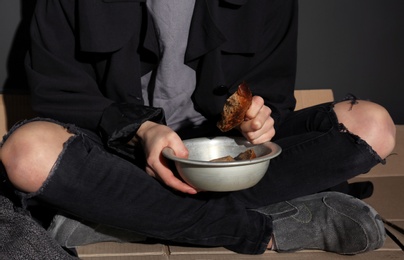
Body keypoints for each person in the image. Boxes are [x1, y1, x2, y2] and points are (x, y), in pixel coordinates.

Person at [0, 0, 396, 257]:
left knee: (372, 125)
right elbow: (58, 92)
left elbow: (272, 92)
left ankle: (120, 219)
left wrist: (256, 118)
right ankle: (263, 230)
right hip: (118, 155)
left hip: (225, 159)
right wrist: (142, 131)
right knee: (26, 152)